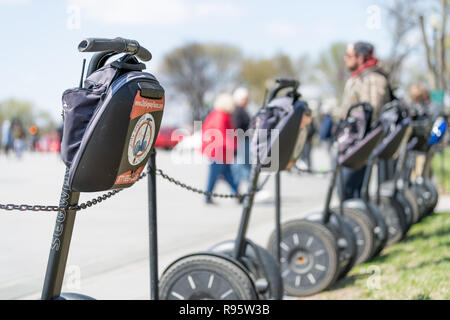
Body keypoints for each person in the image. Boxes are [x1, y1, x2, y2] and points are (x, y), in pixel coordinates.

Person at [340, 41, 393, 200]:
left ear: (360, 57)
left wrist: (357, 138)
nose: (345, 59)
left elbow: (371, 112)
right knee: (348, 190)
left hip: (360, 142)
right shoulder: (361, 77)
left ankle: (355, 219)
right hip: (354, 141)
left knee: (348, 189)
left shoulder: (372, 78)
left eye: (349, 55)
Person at [201, 93, 238, 204]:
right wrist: (232, 147)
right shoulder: (220, 115)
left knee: (226, 173)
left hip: (220, 149)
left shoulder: (220, 114)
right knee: (216, 173)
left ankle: (237, 193)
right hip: (218, 150)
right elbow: (220, 134)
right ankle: (208, 196)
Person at [231, 87, 252, 189]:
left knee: (242, 165)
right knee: (243, 165)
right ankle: (252, 188)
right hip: (242, 141)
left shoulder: (240, 110)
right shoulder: (238, 111)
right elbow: (237, 127)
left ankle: (237, 189)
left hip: (243, 141)